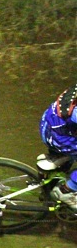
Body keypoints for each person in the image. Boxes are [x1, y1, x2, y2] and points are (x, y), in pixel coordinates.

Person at [39, 82, 77, 210]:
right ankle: (66, 191)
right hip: (58, 137)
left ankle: (49, 188)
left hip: (50, 124)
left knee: (64, 166)